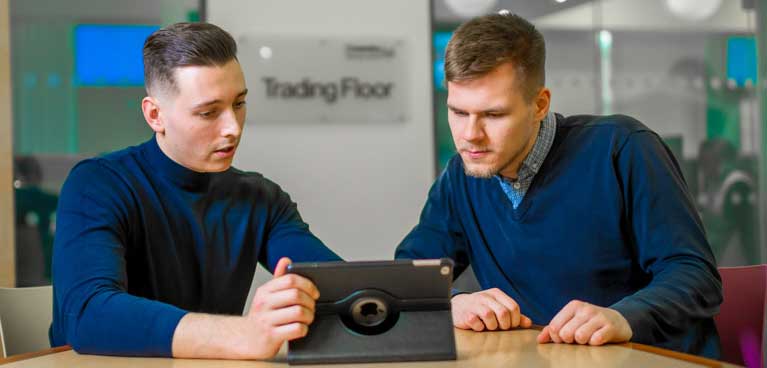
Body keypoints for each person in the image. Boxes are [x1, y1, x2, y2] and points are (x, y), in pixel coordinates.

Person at [395, 12, 722, 358]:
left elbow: (695, 275)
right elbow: (409, 276)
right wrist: (452, 301)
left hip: (653, 360)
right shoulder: (461, 177)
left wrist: (623, 317)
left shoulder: (622, 149)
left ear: (539, 105)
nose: (470, 135)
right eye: (459, 113)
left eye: (493, 115)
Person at [50, 22, 341, 359]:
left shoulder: (261, 198)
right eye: (208, 112)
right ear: (155, 115)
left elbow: (338, 288)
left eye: (239, 104)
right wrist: (242, 334)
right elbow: (88, 315)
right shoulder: (97, 185)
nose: (232, 128)